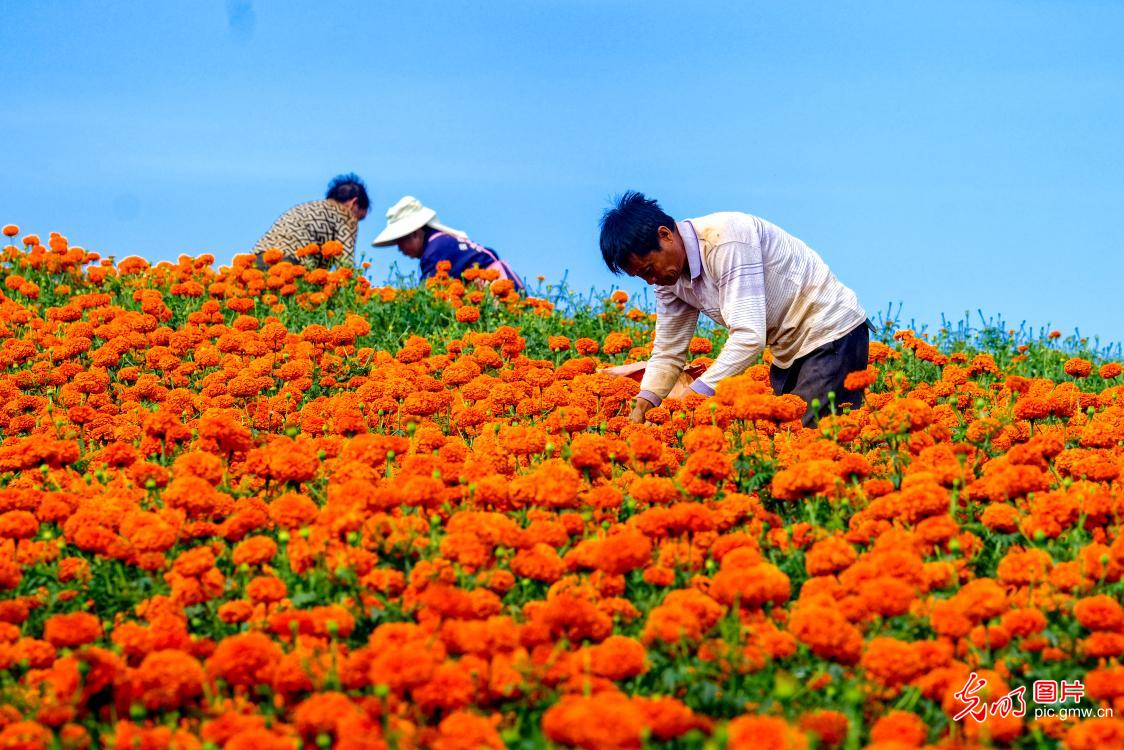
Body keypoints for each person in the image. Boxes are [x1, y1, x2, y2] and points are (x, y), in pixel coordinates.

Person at [599, 191, 871, 427]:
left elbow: (749, 337)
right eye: (642, 277)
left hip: (830, 333)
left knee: (809, 446)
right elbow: (668, 351)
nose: (650, 281)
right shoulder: (669, 278)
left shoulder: (726, 240)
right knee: (786, 438)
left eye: (649, 269)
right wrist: (643, 404)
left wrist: (694, 397)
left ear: (665, 234)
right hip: (788, 350)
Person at [372, 196, 524, 291]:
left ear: (414, 233)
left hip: (499, 288)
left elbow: (427, 294)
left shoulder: (435, 250)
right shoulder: (440, 241)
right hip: (502, 281)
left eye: (400, 241)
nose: (399, 248)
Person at [253, 174, 369, 269]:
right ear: (354, 203)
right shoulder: (346, 214)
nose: (356, 221)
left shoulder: (311, 207)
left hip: (256, 259)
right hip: (290, 262)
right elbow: (345, 264)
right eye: (359, 217)